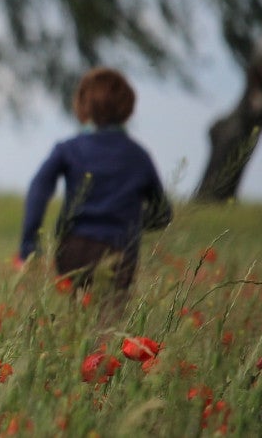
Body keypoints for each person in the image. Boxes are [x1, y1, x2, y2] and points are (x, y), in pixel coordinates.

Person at [18, 67, 173, 312]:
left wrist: (29, 244)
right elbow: (162, 213)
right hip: (119, 250)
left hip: (73, 248)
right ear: (127, 107)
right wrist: (129, 222)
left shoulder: (69, 149)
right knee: (108, 323)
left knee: (77, 315)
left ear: (82, 105)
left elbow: (39, 189)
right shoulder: (138, 156)